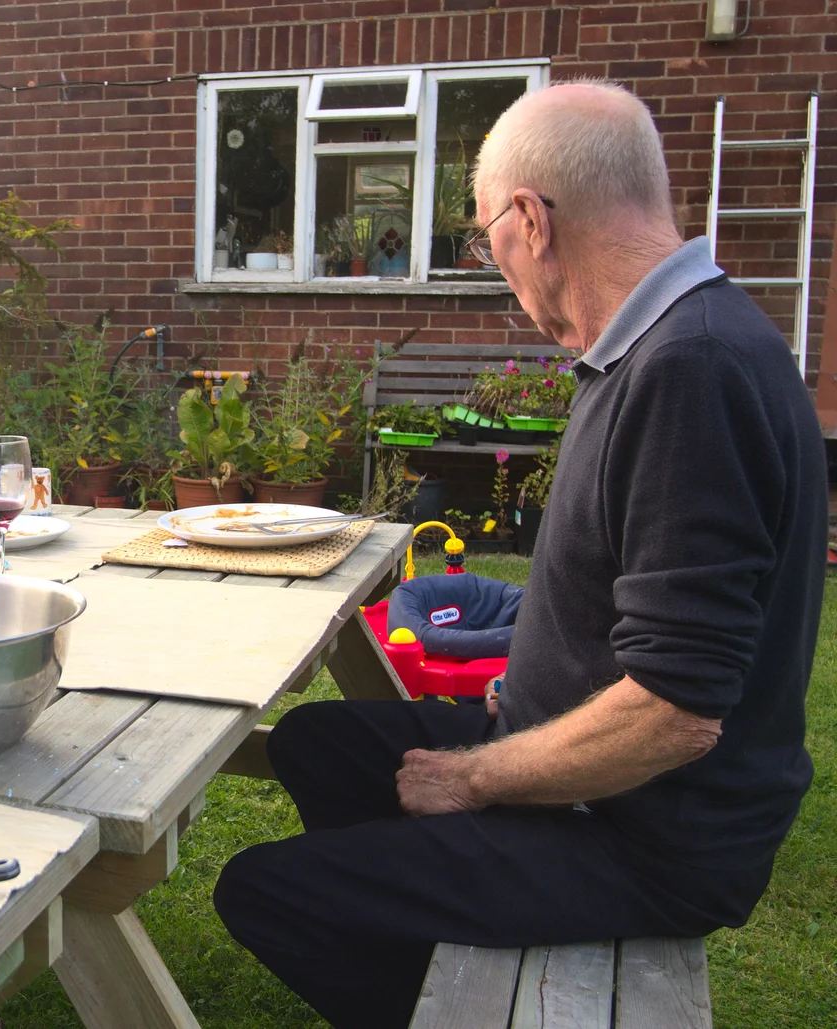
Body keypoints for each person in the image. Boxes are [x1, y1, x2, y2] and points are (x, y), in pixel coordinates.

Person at [213, 81, 826, 1029]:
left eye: (485, 238)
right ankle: (431, 938)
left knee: (268, 889)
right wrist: (526, 695)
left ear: (531, 220)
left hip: (647, 832)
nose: (498, 269)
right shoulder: (663, 345)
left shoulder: (689, 370)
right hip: (600, 778)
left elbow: (675, 714)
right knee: (317, 744)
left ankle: (453, 1002)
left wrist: (473, 778)